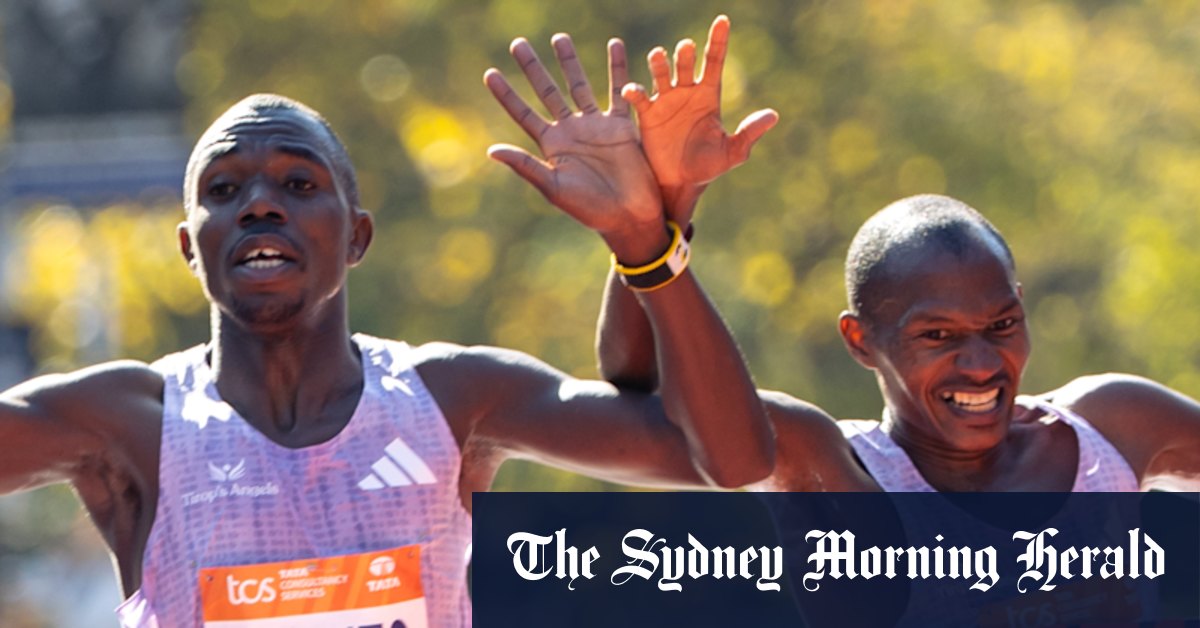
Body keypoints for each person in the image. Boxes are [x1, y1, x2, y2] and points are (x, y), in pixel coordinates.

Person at [0, 31, 775, 627]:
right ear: (187, 247)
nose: (260, 204)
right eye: (226, 188)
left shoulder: (452, 400)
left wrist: (647, 236)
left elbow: (733, 460)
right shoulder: (127, 424)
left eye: (299, 183)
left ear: (359, 236)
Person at [597, 15, 1200, 494]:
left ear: (1021, 306)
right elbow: (638, 391)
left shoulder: (1112, 428)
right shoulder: (833, 466)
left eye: (1001, 324)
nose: (982, 363)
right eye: (937, 336)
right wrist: (660, 216)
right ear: (860, 341)